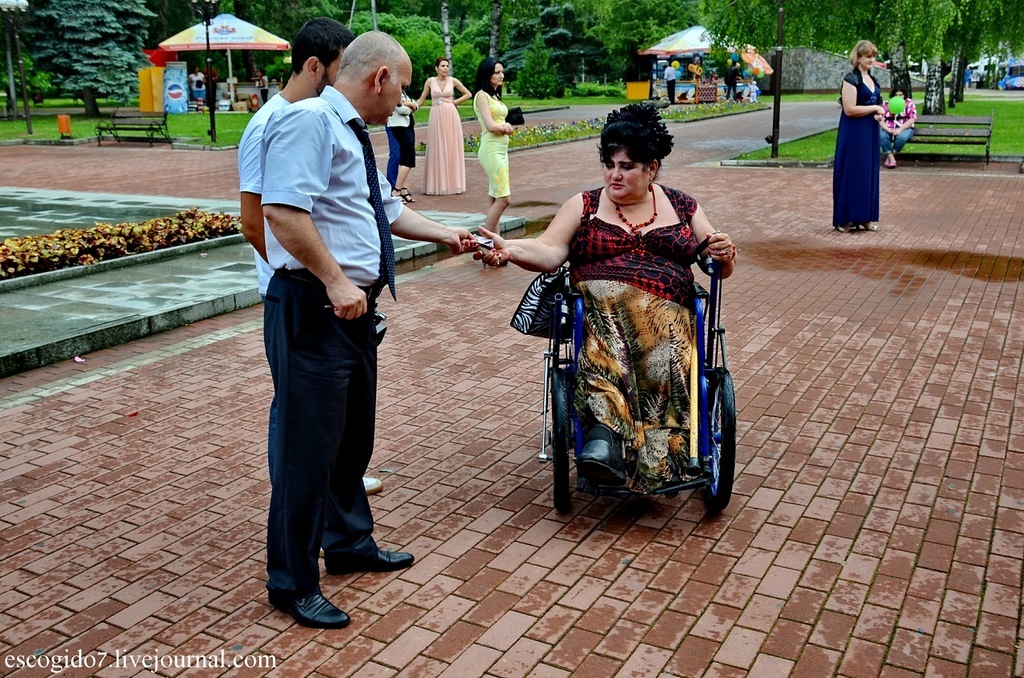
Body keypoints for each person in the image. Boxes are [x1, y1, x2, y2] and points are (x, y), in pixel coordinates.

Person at [260, 31, 478, 629]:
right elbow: (281, 211)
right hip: (315, 307)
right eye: (403, 87)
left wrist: (452, 235)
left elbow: (386, 209)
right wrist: (334, 279)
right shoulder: (311, 122)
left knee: (352, 439)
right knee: (308, 451)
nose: (404, 100)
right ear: (379, 76)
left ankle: (350, 543)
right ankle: (292, 582)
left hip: (353, 312)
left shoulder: (352, 131)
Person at [476, 103, 736, 493]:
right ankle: (606, 436)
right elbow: (549, 250)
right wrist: (509, 249)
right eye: (609, 164)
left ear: (652, 169)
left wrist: (723, 253)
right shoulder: (583, 205)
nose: (615, 174)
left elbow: (716, 265)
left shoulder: (683, 206)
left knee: (655, 325)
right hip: (601, 309)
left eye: (627, 166)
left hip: (668, 312)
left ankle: (641, 446)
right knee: (606, 307)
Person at [238, 19, 383, 497]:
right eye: (343, 67)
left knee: (329, 417)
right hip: (304, 294)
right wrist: (303, 278)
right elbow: (259, 218)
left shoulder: (321, 119)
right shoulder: (277, 122)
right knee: (298, 420)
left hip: (325, 289)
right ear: (316, 66)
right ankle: (297, 502)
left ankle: (327, 511)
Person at [832, 40, 885, 233]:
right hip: (853, 131)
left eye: (873, 56)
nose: (871, 60)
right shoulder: (851, 79)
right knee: (851, 172)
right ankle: (844, 219)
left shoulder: (873, 80)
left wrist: (878, 114)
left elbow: (876, 103)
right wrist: (875, 108)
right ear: (859, 58)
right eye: (867, 56)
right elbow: (850, 109)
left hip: (870, 131)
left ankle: (865, 217)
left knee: (867, 172)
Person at [416, 57, 472, 195]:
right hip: (436, 116)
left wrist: (454, 102)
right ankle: (437, 184)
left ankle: (454, 183)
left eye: (447, 66)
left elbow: (468, 94)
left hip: (451, 115)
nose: (445, 68)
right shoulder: (430, 81)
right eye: (442, 65)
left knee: (451, 146)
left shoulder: (453, 81)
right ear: (436, 68)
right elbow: (422, 99)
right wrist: (413, 107)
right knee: (437, 146)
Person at [472, 57, 514, 238]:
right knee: (504, 199)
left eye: (502, 72)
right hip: (491, 150)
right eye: (496, 72)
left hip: (501, 150)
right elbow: (490, 125)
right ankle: (486, 240)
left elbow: (499, 120)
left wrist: (506, 126)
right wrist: (505, 128)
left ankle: (495, 243)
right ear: (487, 74)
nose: (501, 75)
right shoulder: (482, 96)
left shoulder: (495, 95)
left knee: (495, 197)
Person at [385, 90, 419, 203]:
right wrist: (411, 105)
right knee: (407, 159)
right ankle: (396, 190)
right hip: (399, 127)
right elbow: (402, 110)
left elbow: (416, 104)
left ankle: (403, 189)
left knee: (406, 158)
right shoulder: (393, 90)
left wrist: (409, 103)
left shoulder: (404, 92)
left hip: (408, 125)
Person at [879, 87, 916, 169]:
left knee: (902, 137)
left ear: (904, 95)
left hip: (904, 128)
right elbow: (881, 119)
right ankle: (891, 158)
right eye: (896, 95)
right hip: (889, 127)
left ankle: (891, 157)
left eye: (901, 95)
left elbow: (912, 119)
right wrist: (887, 129)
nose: (898, 97)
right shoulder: (887, 104)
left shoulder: (909, 104)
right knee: (881, 135)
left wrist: (900, 130)